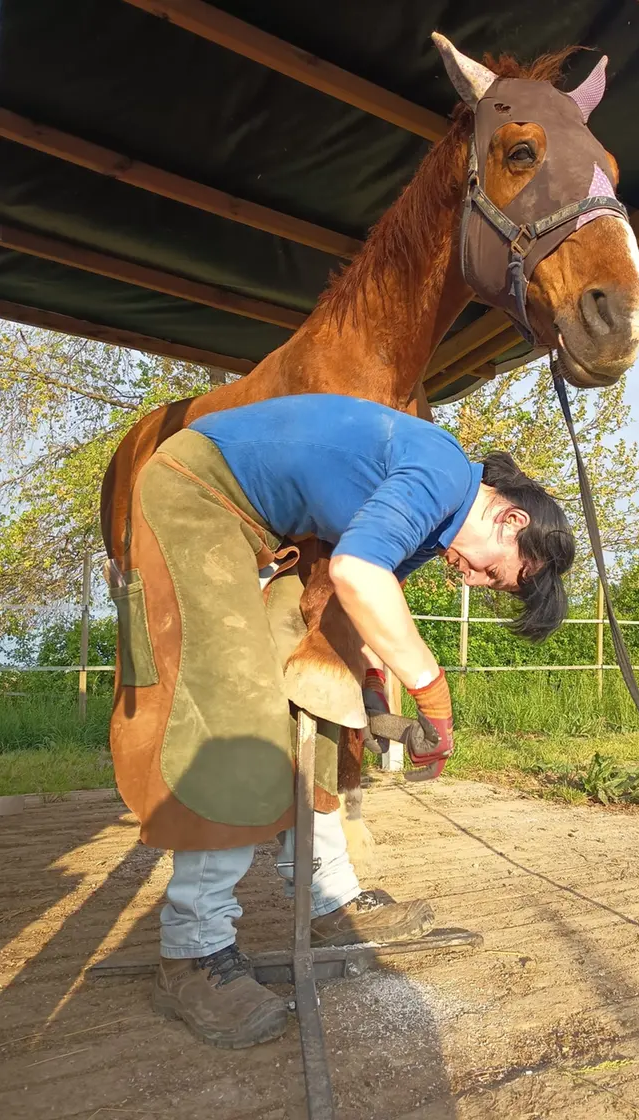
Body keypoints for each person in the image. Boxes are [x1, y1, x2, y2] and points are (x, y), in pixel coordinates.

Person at [106, 393, 574, 1048]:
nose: (473, 583)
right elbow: (356, 570)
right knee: (237, 710)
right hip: (197, 494)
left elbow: (354, 606)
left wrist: (375, 698)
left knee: (322, 699)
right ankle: (192, 953)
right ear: (511, 520)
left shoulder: (429, 521)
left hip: (264, 530)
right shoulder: (443, 472)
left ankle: (327, 901)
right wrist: (432, 697)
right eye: (498, 573)